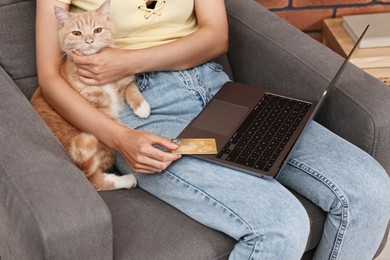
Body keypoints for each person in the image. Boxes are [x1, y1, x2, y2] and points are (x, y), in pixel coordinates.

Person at [36, 0, 390, 259]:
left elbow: (216, 37)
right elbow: (50, 78)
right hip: (137, 105)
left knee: (372, 192)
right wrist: (119, 138)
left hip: (214, 86)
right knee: (282, 225)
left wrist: (129, 59)